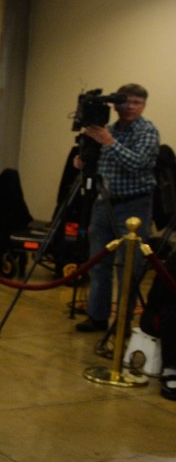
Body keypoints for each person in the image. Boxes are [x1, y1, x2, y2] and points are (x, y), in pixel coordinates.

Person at [73, 84, 159, 333]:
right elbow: (99, 164)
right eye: (126, 102)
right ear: (115, 104)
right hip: (105, 202)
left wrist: (109, 142)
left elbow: (139, 163)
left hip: (135, 205)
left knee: (129, 268)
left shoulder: (147, 131)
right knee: (99, 263)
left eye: (137, 102)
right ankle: (97, 317)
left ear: (143, 106)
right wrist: (83, 159)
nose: (130, 107)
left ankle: (122, 323)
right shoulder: (107, 129)